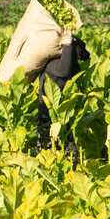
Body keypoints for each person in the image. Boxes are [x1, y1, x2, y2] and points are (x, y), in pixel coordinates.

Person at [36, 33, 89, 164]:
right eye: (78, 51)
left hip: (61, 117)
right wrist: (67, 45)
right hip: (48, 117)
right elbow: (64, 70)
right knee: (47, 153)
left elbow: (74, 71)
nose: (78, 56)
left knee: (67, 154)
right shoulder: (54, 64)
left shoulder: (68, 65)